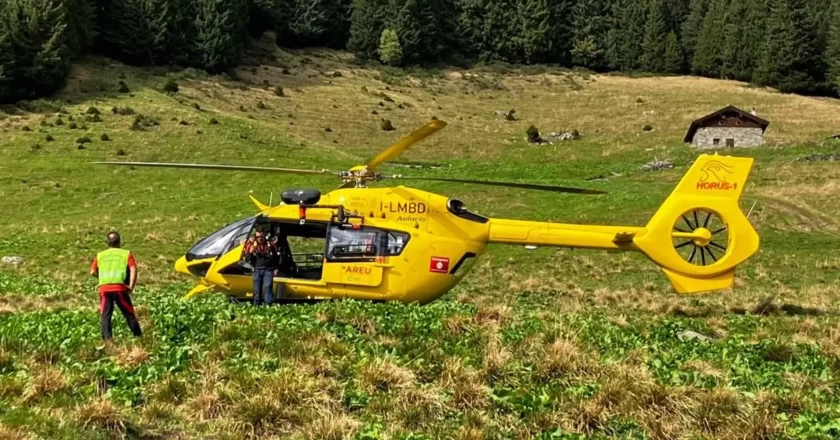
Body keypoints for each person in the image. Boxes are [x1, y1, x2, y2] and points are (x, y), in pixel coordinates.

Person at [90, 231, 142, 340]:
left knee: (105, 315)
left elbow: (92, 272)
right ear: (119, 241)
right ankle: (138, 336)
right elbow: (133, 269)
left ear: (107, 242)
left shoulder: (100, 255)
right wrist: (131, 286)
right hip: (120, 288)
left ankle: (107, 340)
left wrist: (103, 277)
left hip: (104, 288)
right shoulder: (126, 254)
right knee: (128, 312)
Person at [242, 228, 280, 305]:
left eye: (261, 236)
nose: (259, 238)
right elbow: (247, 259)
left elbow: (276, 257)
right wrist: (250, 252)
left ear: (264, 236)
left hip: (268, 269)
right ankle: (257, 305)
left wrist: (276, 268)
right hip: (257, 269)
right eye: (258, 237)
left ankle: (268, 304)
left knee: (268, 287)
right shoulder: (251, 245)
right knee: (257, 290)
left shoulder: (270, 244)